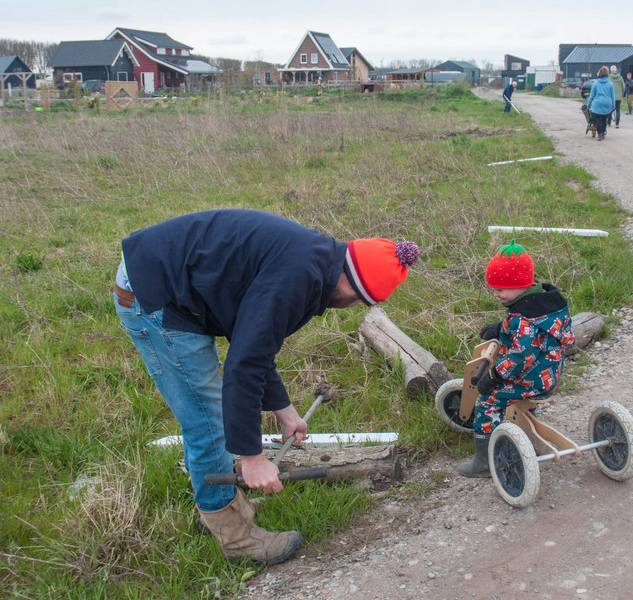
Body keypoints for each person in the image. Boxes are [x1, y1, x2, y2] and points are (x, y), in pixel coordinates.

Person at [113, 209, 419, 564]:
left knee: (210, 415)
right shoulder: (298, 278)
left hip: (169, 279)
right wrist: (252, 458)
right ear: (353, 284)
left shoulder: (314, 261)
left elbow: (255, 342)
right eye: (360, 300)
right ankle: (234, 537)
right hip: (155, 296)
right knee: (207, 419)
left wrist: (286, 412)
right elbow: (243, 364)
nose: (351, 306)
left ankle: (223, 505)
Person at [458, 239, 575, 477]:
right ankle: (525, 425)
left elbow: (519, 356)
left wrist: (492, 376)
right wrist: (501, 328)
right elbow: (534, 333)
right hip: (550, 375)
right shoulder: (548, 306)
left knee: (487, 402)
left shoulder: (522, 318)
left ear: (519, 286)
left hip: (529, 380)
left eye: (499, 289)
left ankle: (484, 462)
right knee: (512, 393)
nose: (495, 293)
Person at [584, 66, 616, 140]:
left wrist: (588, 105)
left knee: (598, 119)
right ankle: (603, 132)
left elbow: (591, 96)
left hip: (598, 103)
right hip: (607, 103)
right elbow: (612, 96)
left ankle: (600, 135)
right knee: (604, 119)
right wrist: (613, 105)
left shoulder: (595, 83)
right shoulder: (610, 84)